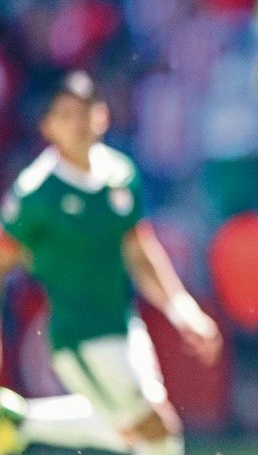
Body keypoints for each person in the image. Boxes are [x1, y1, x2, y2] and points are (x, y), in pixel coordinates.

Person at [0, 70, 223, 454]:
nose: (77, 124)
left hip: (126, 324)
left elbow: (139, 251)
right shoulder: (35, 194)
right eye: (65, 115)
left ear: (102, 115)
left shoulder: (120, 173)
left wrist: (181, 308)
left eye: (85, 111)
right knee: (157, 430)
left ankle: (17, 421)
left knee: (140, 433)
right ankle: (20, 422)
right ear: (47, 127)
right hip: (81, 338)